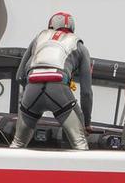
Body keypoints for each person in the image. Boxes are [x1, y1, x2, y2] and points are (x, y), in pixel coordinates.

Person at [10, 12, 93, 150]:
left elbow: (20, 76)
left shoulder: (39, 38)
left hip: (32, 90)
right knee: (80, 144)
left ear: (50, 26)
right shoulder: (80, 46)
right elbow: (86, 93)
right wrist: (87, 123)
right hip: (59, 90)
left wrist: (28, 94)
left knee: (18, 144)